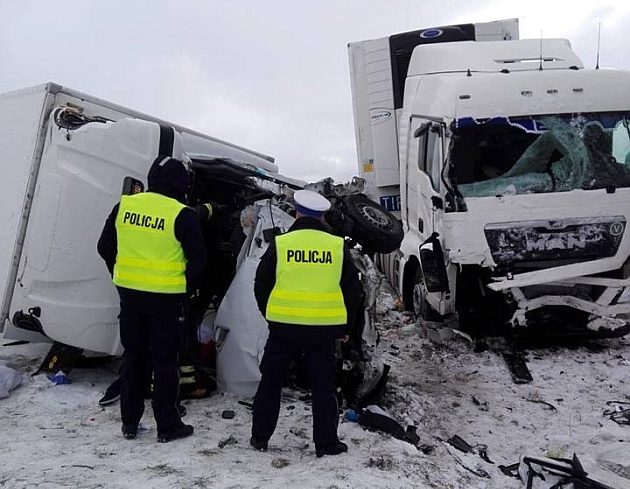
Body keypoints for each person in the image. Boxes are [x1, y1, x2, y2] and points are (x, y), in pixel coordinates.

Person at [97, 155, 207, 443]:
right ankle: (168, 426)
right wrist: (184, 290)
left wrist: (120, 274)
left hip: (130, 298)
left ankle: (130, 423)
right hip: (166, 302)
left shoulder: (125, 205)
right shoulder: (183, 214)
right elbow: (198, 262)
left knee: (133, 359)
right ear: (180, 184)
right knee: (165, 363)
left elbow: (104, 246)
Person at [250, 189, 361, 458]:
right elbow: (352, 291)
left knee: (270, 382)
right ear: (322, 216)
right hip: (323, 331)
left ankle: (260, 438)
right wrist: (346, 329)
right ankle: (326, 444)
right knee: (323, 387)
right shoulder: (336, 246)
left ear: (297, 213)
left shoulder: (281, 243)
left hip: (283, 328)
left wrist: (271, 313)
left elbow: (261, 283)